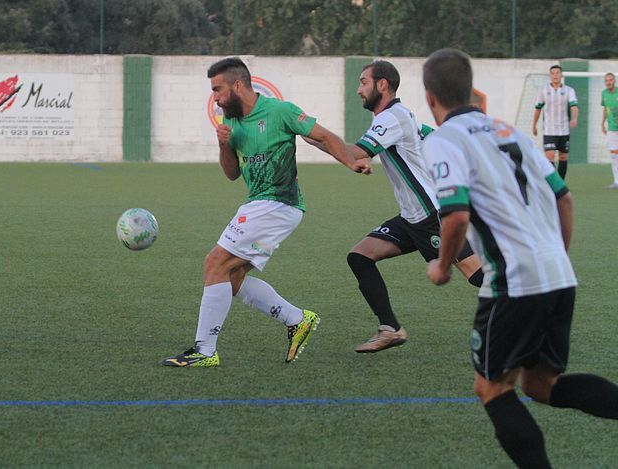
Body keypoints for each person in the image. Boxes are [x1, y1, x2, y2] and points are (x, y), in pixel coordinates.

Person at [422, 48, 618, 468]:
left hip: (514, 280)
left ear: (429, 97)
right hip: (559, 274)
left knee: (491, 388)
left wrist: (441, 266)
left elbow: (456, 215)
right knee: (541, 385)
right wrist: (555, 258)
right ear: (470, 90)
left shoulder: (443, 140)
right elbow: (564, 198)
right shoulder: (508, 130)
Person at [162, 57, 368, 367]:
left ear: (238, 85)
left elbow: (324, 136)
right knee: (232, 276)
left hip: (278, 203)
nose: (215, 98)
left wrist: (351, 162)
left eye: (217, 90)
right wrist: (223, 145)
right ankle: (297, 319)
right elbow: (232, 174)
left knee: (214, 263)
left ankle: (204, 351)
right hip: (260, 203)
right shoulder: (231, 122)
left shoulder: (280, 111)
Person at [306, 60, 483, 353]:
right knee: (360, 257)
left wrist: (312, 133)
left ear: (382, 84)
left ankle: (535, 308)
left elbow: (355, 153)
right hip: (412, 218)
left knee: (477, 275)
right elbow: (426, 136)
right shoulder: (399, 115)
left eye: (363, 82)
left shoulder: (390, 118)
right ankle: (390, 329)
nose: (358, 89)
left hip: (432, 215)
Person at [532, 64, 578, 179]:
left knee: (563, 157)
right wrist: (534, 125)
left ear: (561, 75)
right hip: (549, 130)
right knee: (550, 156)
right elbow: (538, 108)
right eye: (552, 73)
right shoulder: (543, 90)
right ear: (550, 75)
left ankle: (561, 183)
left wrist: (574, 118)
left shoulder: (569, 90)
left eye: (557, 73)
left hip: (564, 130)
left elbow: (574, 106)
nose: (555, 75)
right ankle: (554, 184)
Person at [600, 72, 618, 188]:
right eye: (606, 80)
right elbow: (606, 109)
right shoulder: (604, 93)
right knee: (614, 155)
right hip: (611, 128)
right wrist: (602, 123)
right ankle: (617, 181)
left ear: (614, 81)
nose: (608, 82)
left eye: (610, 80)